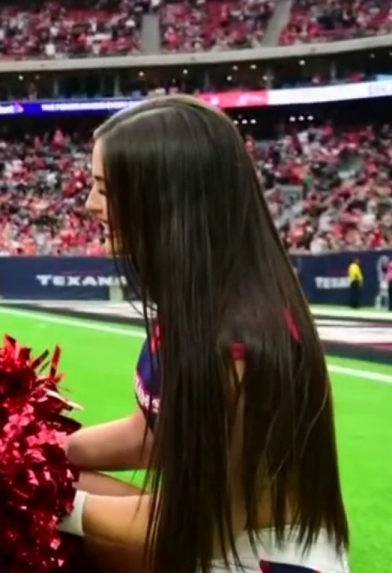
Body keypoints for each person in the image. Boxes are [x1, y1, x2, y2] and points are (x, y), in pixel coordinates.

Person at [58, 96, 349, 573]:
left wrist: (37, 500)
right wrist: (33, 454)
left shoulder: (238, 344)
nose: (90, 205)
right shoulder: (197, 300)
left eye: (106, 190)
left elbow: (195, 520)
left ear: (167, 199)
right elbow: (148, 434)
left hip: (255, 560)